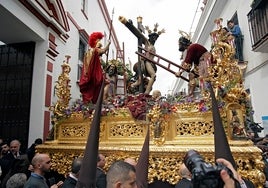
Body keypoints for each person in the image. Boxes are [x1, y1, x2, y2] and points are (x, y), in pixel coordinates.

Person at [79, 32, 111, 104]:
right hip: (95, 75)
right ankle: (103, 99)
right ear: (96, 41)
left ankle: (95, 101)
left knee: (94, 89)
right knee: (106, 83)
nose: (99, 42)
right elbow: (103, 51)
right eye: (99, 40)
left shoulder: (88, 52)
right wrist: (108, 44)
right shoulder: (95, 50)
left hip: (89, 75)